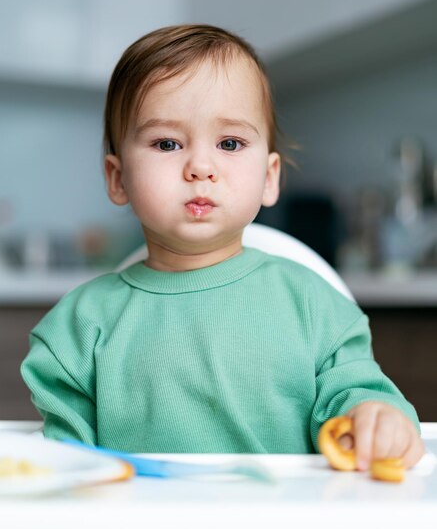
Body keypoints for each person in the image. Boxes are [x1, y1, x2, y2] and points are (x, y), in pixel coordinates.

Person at [21, 24, 424, 471]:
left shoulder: (313, 306)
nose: (200, 166)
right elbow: (64, 471)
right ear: (118, 179)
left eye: (230, 143)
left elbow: (357, 392)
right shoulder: (78, 329)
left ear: (270, 177)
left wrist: (373, 420)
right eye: (167, 143)